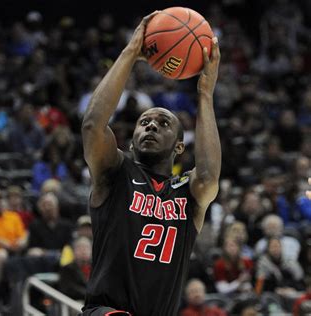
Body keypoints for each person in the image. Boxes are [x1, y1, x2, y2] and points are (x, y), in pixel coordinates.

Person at [81, 11, 221, 316]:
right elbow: (93, 126)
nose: (151, 126)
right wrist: (130, 53)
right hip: (105, 311)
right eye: (144, 122)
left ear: (181, 146)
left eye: (163, 123)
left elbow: (209, 175)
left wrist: (205, 94)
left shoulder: (187, 194)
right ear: (131, 140)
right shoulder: (115, 172)